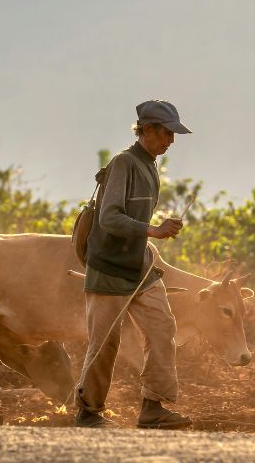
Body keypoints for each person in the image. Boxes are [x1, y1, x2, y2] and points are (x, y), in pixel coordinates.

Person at [74, 99, 193, 429]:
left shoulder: (150, 165)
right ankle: (88, 412)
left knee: (163, 327)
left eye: (173, 135)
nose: (171, 141)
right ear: (148, 130)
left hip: (137, 265)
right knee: (104, 344)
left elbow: (130, 215)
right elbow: (110, 217)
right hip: (109, 267)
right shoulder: (124, 163)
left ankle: (153, 407)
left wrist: (156, 226)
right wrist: (153, 230)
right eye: (167, 134)